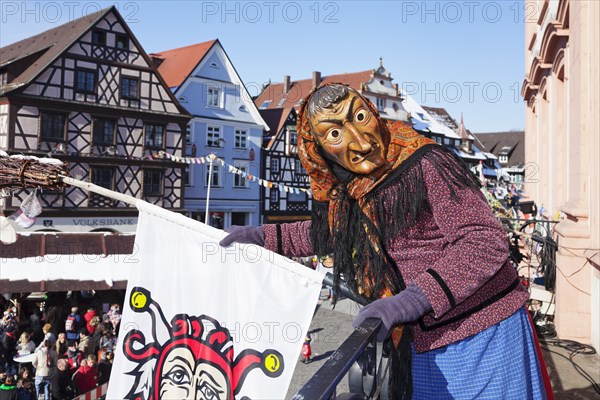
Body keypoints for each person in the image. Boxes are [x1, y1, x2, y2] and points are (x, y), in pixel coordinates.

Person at [220, 84, 548, 399]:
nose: (361, 142)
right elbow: (332, 233)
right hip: (425, 340)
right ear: (319, 151)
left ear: (374, 113)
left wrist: (411, 301)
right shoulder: (353, 188)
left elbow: (484, 240)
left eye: (359, 117)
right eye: (335, 134)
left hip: (482, 332)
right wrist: (261, 237)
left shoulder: (425, 162)